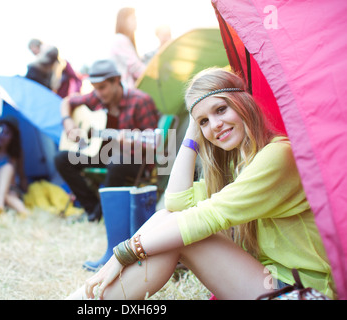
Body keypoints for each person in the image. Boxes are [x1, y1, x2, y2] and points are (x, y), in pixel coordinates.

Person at [66, 68, 336, 300]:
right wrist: (193, 134)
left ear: (244, 103)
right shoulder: (237, 166)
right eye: (204, 121)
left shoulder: (279, 155)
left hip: (303, 291)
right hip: (267, 280)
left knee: (184, 235)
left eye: (221, 109)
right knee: (169, 219)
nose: (215, 125)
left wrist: (122, 254)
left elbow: (204, 217)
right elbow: (176, 204)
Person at [55, 59, 159, 222]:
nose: (98, 93)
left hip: (135, 160)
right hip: (105, 154)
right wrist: (68, 121)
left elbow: (153, 143)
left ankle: (97, 215)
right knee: (61, 159)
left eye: (102, 87)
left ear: (117, 80)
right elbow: (66, 101)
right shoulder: (97, 97)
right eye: (95, 88)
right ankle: (91, 208)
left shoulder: (140, 101)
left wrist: (134, 143)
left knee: (117, 160)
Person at [0, 117, 29, 217]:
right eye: (0, 131)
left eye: (7, 133)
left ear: (13, 137)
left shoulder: (16, 154)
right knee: (8, 168)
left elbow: (21, 175)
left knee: (9, 195)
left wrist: (27, 191)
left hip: (11, 189)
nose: (1, 136)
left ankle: (25, 214)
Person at [109, 7, 146, 89]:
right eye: (133, 18)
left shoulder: (125, 40)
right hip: (126, 91)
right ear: (124, 21)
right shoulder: (120, 39)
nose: (136, 22)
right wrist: (152, 73)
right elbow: (136, 67)